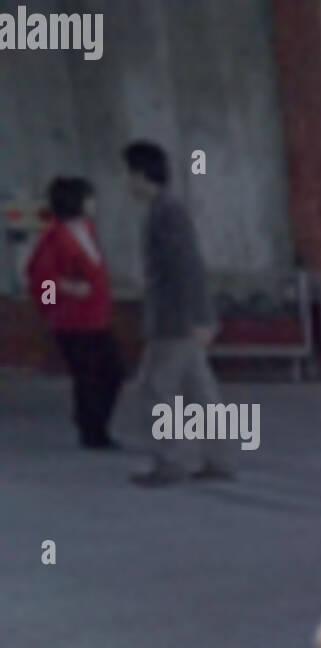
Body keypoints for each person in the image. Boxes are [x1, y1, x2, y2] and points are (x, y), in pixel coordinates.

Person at [121, 140, 233, 486]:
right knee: (199, 391)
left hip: (173, 321)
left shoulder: (164, 212)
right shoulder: (171, 209)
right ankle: (218, 458)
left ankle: (168, 462)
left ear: (141, 175)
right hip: (184, 319)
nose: (128, 183)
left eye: (129, 175)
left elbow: (186, 268)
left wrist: (199, 317)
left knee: (156, 391)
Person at [24, 177, 125, 449]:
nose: (93, 204)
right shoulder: (54, 237)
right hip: (72, 321)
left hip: (97, 316)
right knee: (89, 376)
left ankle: (93, 423)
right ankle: (92, 430)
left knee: (112, 372)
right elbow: (40, 279)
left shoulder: (87, 230)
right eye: (88, 198)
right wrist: (62, 293)